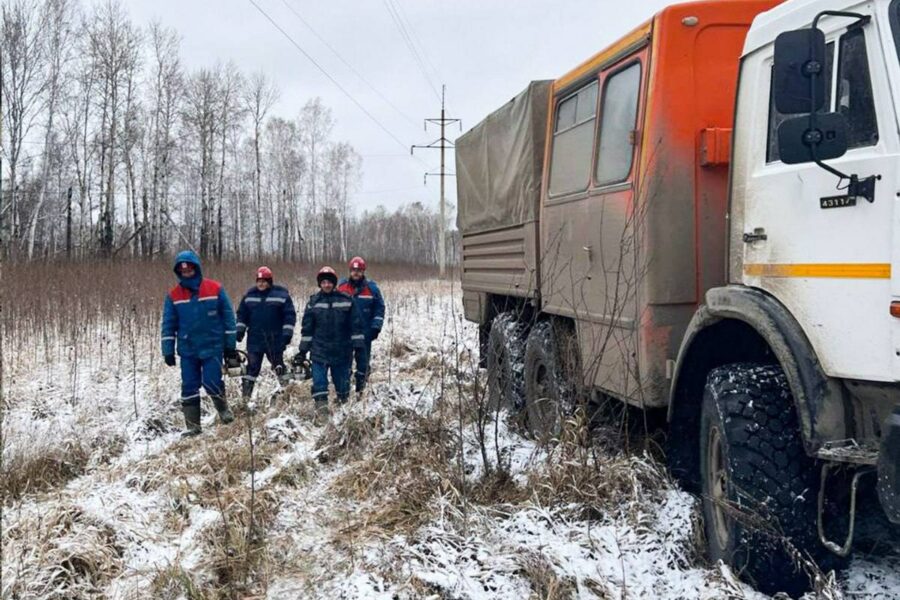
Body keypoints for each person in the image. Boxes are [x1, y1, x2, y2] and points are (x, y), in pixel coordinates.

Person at [161, 250, 238, 436]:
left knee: (211, 382)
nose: (186, 273)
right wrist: (167, 350)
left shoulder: (215, 289)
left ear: (196, 268)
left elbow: (229, 318)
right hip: (188, 350)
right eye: (182, 271)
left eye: (189, 270)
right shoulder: (173, 296)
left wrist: (230, 346)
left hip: (212, 346)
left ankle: (224, 411)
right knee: (189, 385)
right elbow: (168, 324)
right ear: (178, 272)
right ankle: (193, 426)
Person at [293, 266, 365, 416]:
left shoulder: (346, 300)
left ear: (334, 283)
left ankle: (343, 414)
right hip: (319, 352)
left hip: (342, 352)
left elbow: (356, 326)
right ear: (320, 284)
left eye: (329, 282)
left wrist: (358, 347)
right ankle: (322, 414)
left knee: (343, 388)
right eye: (323, 282)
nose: (326, 285)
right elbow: (307, 330)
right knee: (319, 384)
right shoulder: (313, 303)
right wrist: (302, 351)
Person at [236, 266, 297, 402]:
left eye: (264, 281)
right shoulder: (249, 295)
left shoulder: (281, 295)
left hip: (275, 340)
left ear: (270, 281)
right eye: (259, 281)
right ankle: (245, 400)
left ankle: (287, 395)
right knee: (251, 369)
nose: (261, 284)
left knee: (279, 367)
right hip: (254, 340)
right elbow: (241, 315)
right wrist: (239, 330)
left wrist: (287, 333)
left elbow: (289, 315)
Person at [337, 256, 385, 393]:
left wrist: (376, 327)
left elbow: (379, 308)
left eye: (359, 270)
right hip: (345, 334)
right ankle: (344, 393)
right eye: (353, 270)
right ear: (350, 271)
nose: (356, 273)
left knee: (363, 364)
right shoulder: (341, 287)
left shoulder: (372, 288)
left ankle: (361, 391)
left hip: (365, 333)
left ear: (363, 271)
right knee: (344, 364)